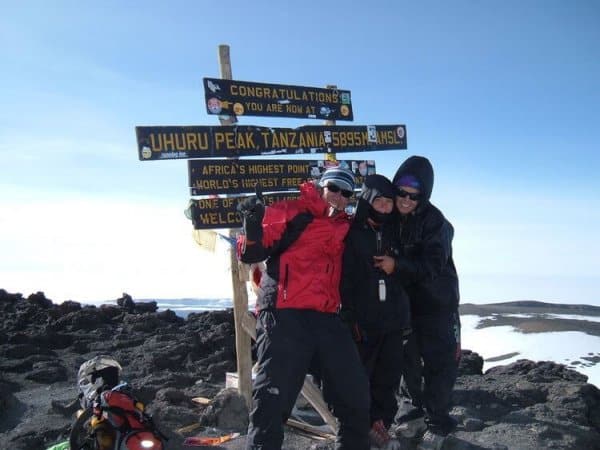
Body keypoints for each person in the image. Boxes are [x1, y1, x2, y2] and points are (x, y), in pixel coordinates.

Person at [237, 167, 370, 450]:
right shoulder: (290, 211)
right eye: (334, 188)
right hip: (284, 314)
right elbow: (251, 251)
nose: (338, 196)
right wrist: (251, 224)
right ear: (321, 186)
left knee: (354, 393)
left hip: (326, 317)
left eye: (346, 193)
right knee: (273, 398)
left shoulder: (347, 226)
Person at [391, 156, 461, 449]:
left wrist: (396, 265)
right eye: (402, 192)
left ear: (424, 195)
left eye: (414, 195)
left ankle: (438, 424)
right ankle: (413, 413)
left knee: (438, 363)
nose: (406, 199)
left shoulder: (436, 223)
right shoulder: (389, 217)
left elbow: (431, 265)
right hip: (405, 304)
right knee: (407, 360)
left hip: (437, 305)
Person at [340, 174, 411, 450]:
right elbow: (343, 278)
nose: (383, 207)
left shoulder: (397, 231)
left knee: (389, 375)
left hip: (393, 319)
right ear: (367, 201)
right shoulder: (352, 234)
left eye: (388, 202)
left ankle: (380, 424)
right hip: (364, 321)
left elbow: (410, 266)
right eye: (378, 201)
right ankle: (362, 426)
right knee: (361, 377)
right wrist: (348, 317)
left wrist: (397, 264)